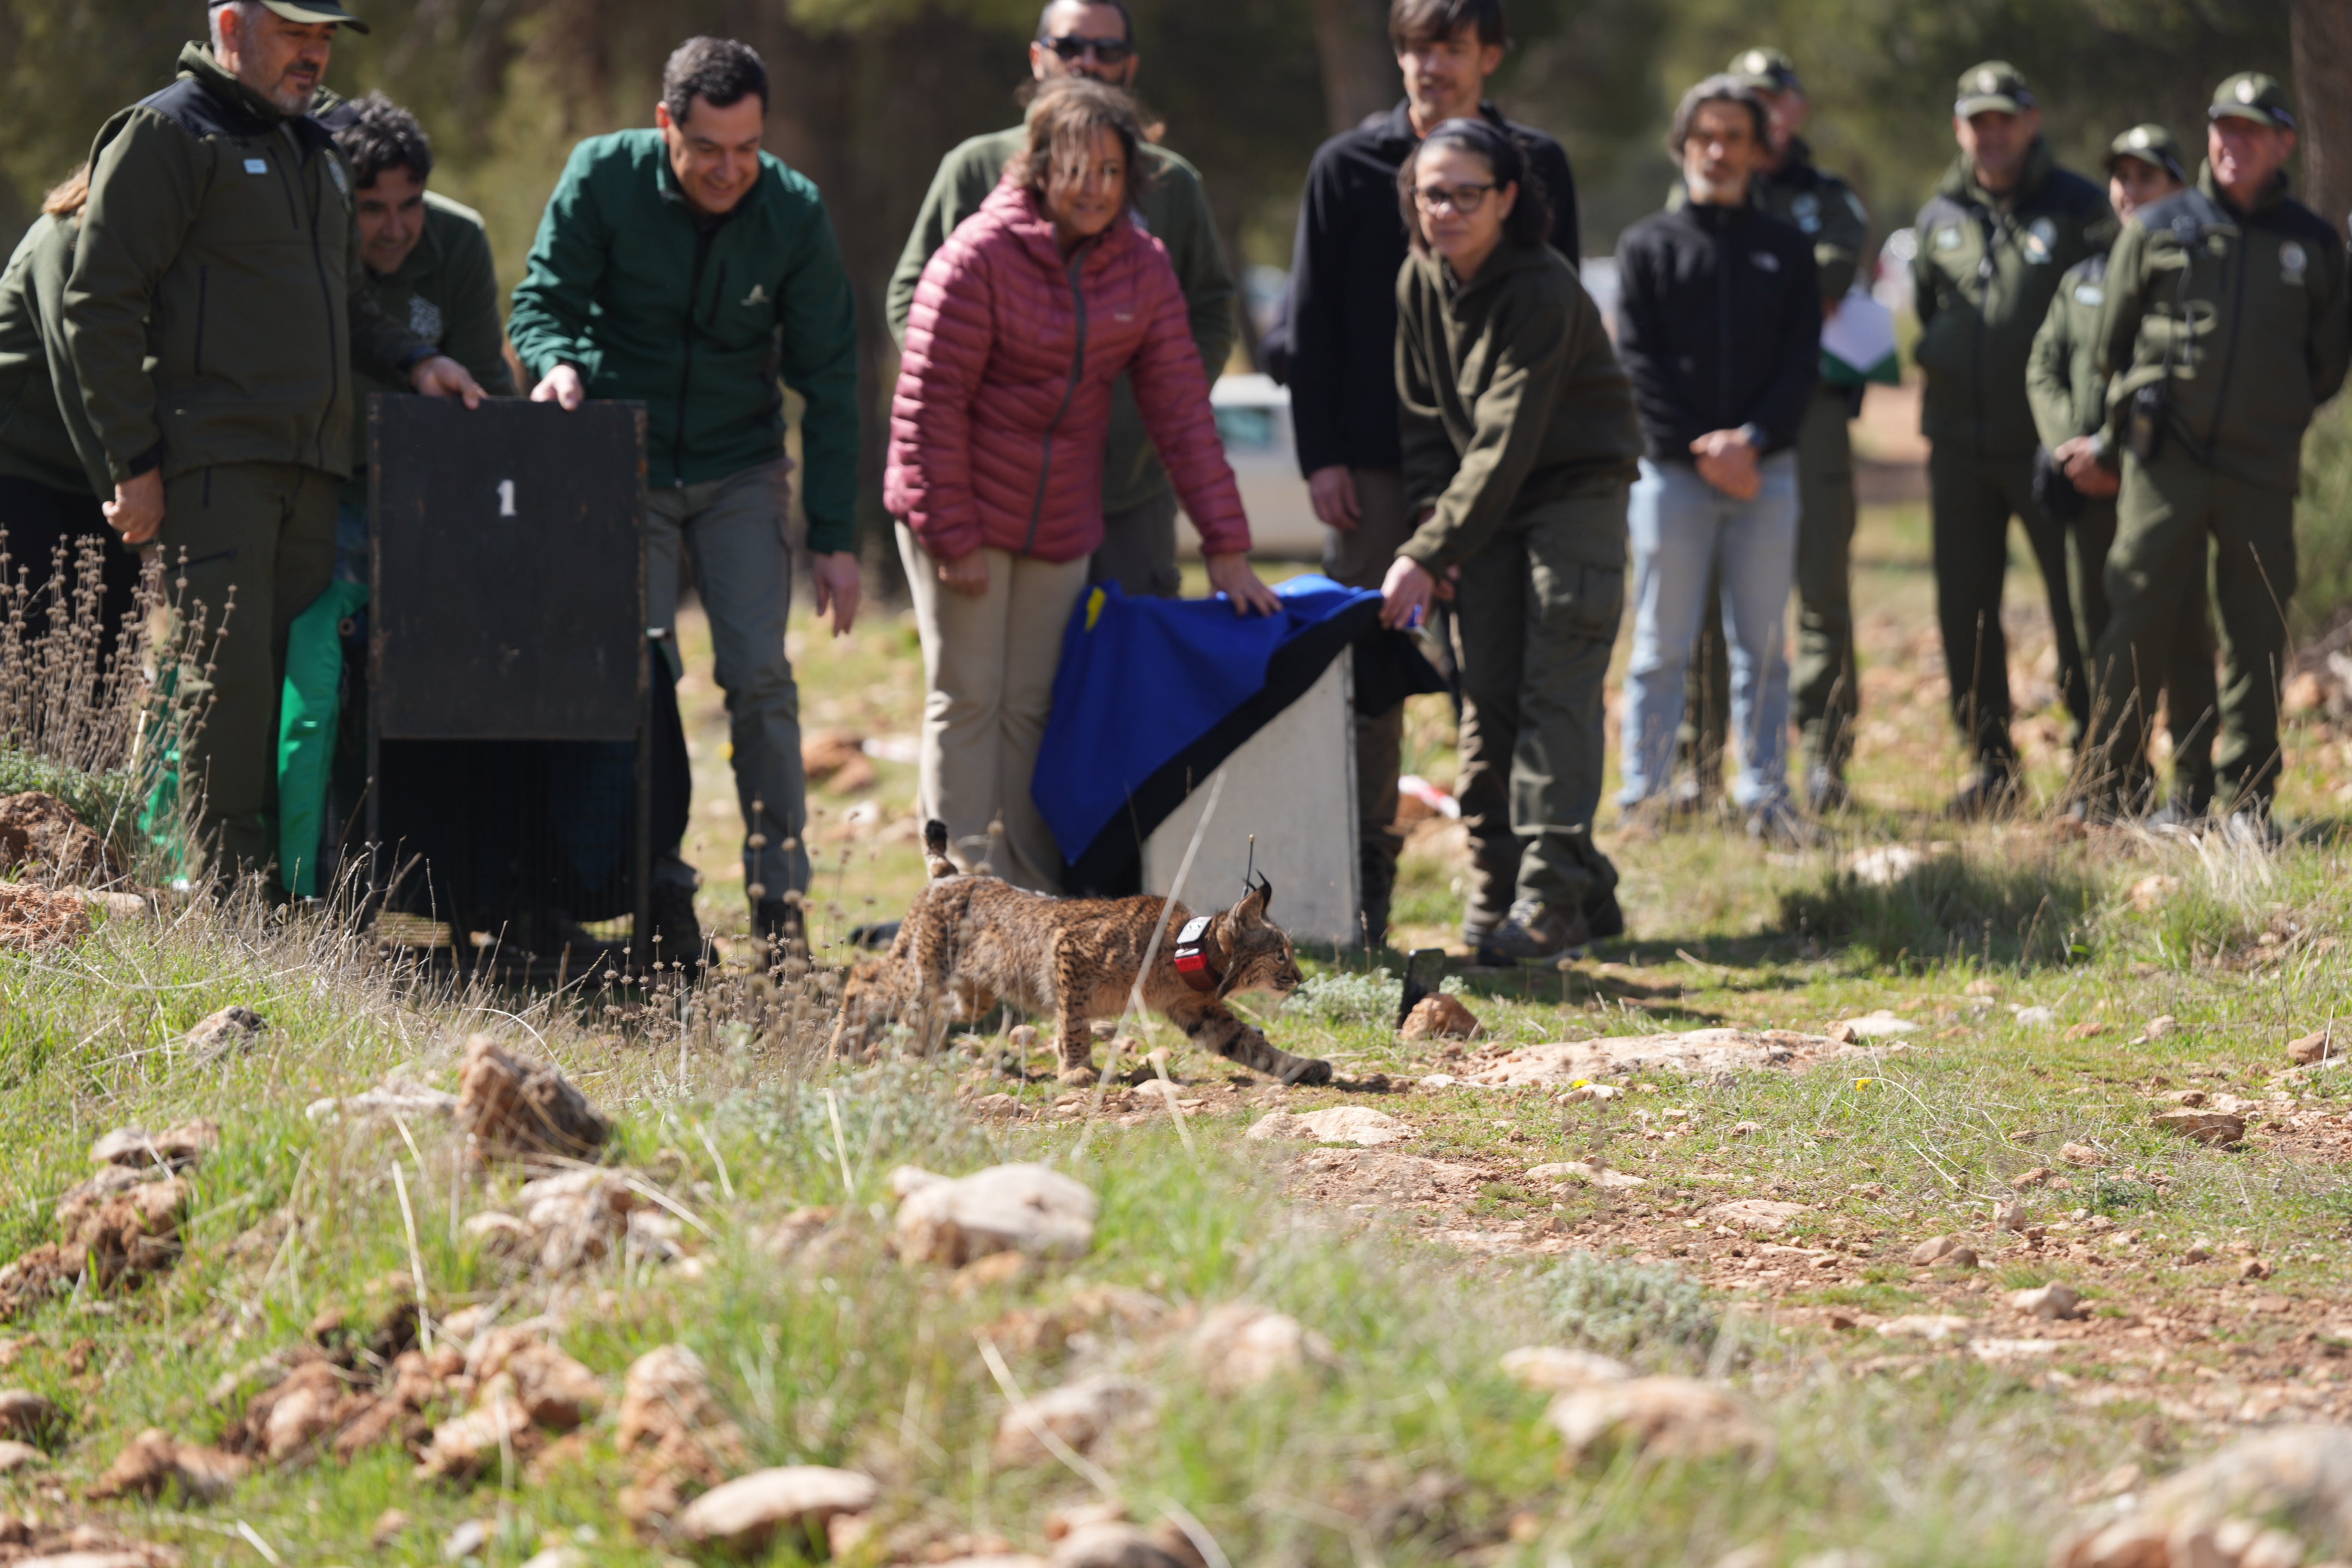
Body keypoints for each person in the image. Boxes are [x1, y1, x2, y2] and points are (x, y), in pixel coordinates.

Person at [64, 0, 484, 886]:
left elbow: (347, 305)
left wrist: (418, 361)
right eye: (294, 33)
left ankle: (282, 897)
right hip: (217, 466)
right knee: (227, 687)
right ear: (230, 26)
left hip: (311, 471)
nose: (313, 53)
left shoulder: (316, 148)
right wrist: (134, 464)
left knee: (299, 691)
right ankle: (223, 901)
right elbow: (99, 304)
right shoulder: (169, 134)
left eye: (323, 37)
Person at [508, 35, 862, 958]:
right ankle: (655, 888)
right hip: (619, 462)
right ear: (666, 123)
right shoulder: (604, 176)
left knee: (760, 678)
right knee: (637, 680)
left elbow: (830, 379)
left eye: (748, 149)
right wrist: (556, 365)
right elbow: (541, 302)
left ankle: (779, 906)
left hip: (740, 466)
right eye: (707, 148)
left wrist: (834, 536)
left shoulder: (792, 210)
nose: (729, 171)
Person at [887, 79, 1278, 892]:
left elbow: (1182, 412)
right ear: (1038, 166)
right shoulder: (978, 255)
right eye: (1075, 167)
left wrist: (1228, 547)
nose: (1093, 186)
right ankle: (961, 895)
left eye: (1110, 169)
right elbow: (927, 408)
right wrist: (952, 535)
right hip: (961, 509)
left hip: (1060, 519)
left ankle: (1028, 896)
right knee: (968, 700)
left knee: (1033, 706)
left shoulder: (1142, 265)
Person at [1286, 0, 1582, 952]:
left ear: (1490, 55)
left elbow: (1557, 322)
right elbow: (1310, 326)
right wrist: (1321, 457)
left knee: (1503, 679)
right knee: (1370, 677)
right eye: (1416, 47)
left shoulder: (1536, 164)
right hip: (1375, 470)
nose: (1431, 65)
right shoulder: (1344, 166)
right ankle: (1365, 876)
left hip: (1508, 466)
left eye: (1451, 46)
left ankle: (1525, 885)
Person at [1380, 117, 1641, 962]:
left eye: (1468, 194)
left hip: (1573, 492)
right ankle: (1510, 890)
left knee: (1552, 695)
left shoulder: (1543, 289)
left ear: (1508, 199)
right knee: (1486, 695)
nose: (1447, 210)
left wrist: (1428, 551)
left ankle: (1552, 900)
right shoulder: (1419, 279)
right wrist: (1435, 518)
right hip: (1484, 502)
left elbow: (1506, 437)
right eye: (1433, 194)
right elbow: (1426, 423)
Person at [886, 0, 1238, 604]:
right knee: (1002, 666)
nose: (1087, 63)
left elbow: (1210, 309)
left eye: (1108, 50)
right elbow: (914, 300)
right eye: (1071, 47)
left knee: (1126, 652)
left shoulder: (1171, 183)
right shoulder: (975, 166)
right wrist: (983, 393)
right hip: (994, 483)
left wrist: (1148, 406)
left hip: (1128, 488)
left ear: (1130, 66)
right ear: (1038, 57)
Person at [2083, 73, 2350, 831]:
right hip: (2166, 462)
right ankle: (2116, 790)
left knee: (2255, 632)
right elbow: (2110, 344)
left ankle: (2248, 801)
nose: (2235, 143)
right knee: (2140, 616)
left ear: (2285, 143)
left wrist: (2273, 412)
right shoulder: (2159, 227)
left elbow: (2327, 363)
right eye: (2224, 127)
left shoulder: (2312, 243)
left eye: (2252, 130)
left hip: (2260, 469)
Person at [1614, 78, 1821, 846]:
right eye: (1705, 134)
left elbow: (1802, 361)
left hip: (1767, 474)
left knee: (1763, 650)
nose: (1718, 150)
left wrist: (1752, 441)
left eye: (1735, 136)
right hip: (1673, 477)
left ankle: (1766, 798)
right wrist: (1705, 449)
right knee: (1660, 648)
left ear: (1758, 151)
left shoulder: (1786, 248)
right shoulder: (1647, 245)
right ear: (1683, 145)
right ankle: (1644, 798)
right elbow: (1638, 365)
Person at [1909, 62, 2110, 816]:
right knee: (1966, 609)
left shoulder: (2080, 207)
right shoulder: (1938, 216)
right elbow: (1930, 309)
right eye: (1977, 123)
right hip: (1959, 447)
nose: (1991, 136)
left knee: (2078, 606)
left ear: (2031, 123)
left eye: (2004, 120)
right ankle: (1992, 765)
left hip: (2049, 448)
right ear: (1959, 130)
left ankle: (2099, 763)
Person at [1678, 47, 1869, 815]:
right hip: (1716, 416)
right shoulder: (1697, 187)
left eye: (1772, 100)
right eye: (1744, 102)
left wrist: (1753, 280)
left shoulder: (1828, 197)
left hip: (1809, 412)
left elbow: (1829, 276)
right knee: (1703, 594)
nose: (1761, 116)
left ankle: (1824, 755)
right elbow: (1686, 279)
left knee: (1821, 588)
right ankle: (1697, 763)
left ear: (1794, 110)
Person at [2024, 124, 2216, 819]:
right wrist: (2068, 450)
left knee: (2184, 636)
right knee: (2095, 632)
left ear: (2180, 189)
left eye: (2148, 178)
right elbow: (2043, 366)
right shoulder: (2083, 279)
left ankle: (2195, 788)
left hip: (2160, 484)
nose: (2131, 192)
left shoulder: (2198, 276)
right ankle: (2114, 782)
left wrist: (2112, 453)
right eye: (2123, 177)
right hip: (2088, 483)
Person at [0, 167, 143, 646]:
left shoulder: (165, 250)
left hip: (90, 476)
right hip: (17, 464)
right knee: (29, 647)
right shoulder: (68, 238)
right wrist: (142, 525)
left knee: (111, 649)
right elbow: (81, 380)